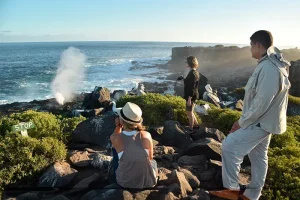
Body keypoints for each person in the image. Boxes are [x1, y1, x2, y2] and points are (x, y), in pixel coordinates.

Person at [210, 30, 291, 200]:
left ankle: (231, 190)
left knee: (229, 147)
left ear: (258, 45)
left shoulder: (269, 67)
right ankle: (252, 195)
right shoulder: (272, 63)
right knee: (259, 156)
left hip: (260, 121)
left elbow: (263, 101)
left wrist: (242, 121)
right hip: (267, 121)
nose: (249, 50)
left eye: (251, 46)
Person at [109, 102, 158, 189]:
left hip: (124, 182)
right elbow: (150, 158)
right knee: (153, 162)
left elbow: (115, 138)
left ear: (121, 120)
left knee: (114, 150)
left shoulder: (115, 138)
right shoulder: (146, 135)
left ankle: (116, 173)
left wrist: (119, 127)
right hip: (148, 182)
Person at [183, 56, 200, 132]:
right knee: (191, 111)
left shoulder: (192, 74)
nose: (186, 63)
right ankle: (196, 125)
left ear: (190, 63)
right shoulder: (195, 72)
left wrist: (189, 98)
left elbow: (191, 87)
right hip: (194, 94)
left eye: (186, 62)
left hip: (191, 95)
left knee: (189, 112)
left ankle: (191, 128)